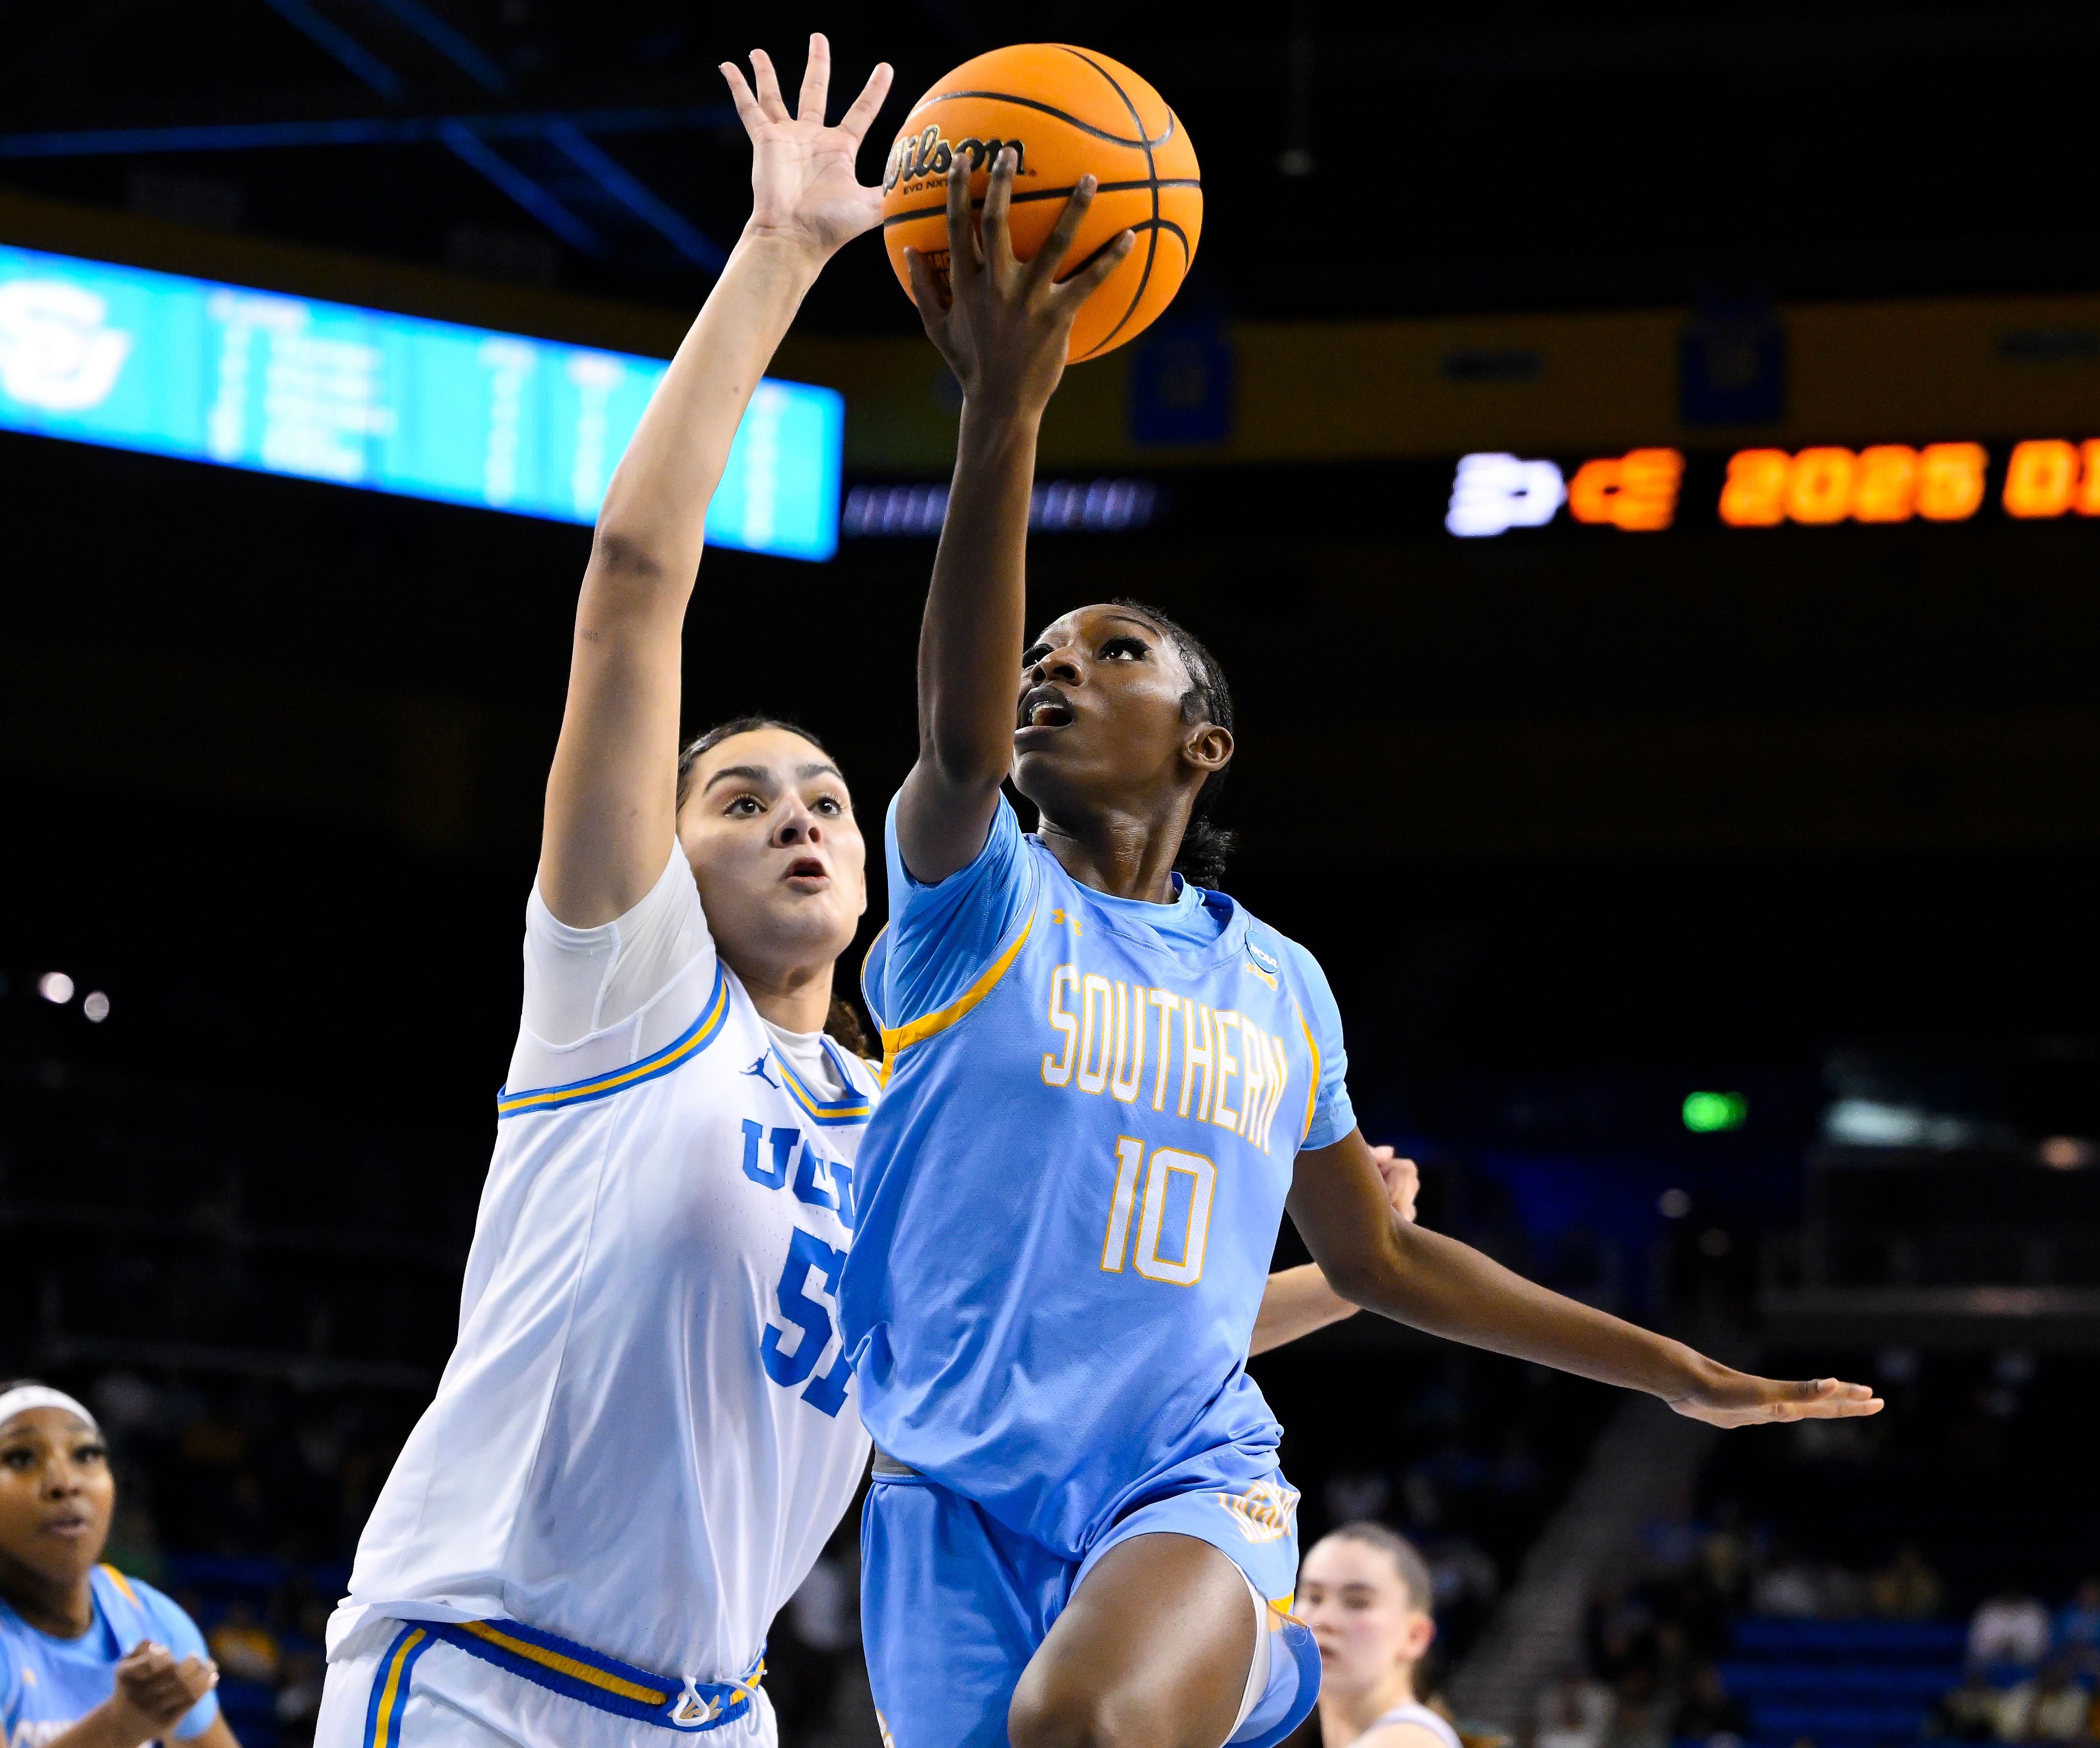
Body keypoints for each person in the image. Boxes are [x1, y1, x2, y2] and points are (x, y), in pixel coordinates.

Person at [308, 36, 1393, 1748]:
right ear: (665, 866)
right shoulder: (627, 1002)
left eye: (824, 795)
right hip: (484, 1678)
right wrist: (784, 249)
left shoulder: (899, 1114)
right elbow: (635, 584)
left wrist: (1345, 1274)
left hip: (714, 1713)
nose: (806, 820)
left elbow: (1072, 1332)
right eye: (742, 802)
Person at [839, 142, 1886, 1748]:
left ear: (1204, 747)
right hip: (943, 1496)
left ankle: (1271, 1671)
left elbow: (1383, 1261)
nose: (1053, 669)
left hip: (1176, 1484)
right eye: (1038, 650)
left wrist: (1676, 1372)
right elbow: (957, 744)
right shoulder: (974, 902)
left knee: (1085, 1728)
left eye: (1110, 652)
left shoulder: (1280, 983)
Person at [0, 1381, 240, 1748]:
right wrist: (121, 1725)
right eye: (21, 1458)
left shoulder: (153, 1618)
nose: (66, 1483)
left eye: (85, 1454)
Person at [1297, 1524, 1458, 1748]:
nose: (1324, 1620)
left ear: (1415, 1636)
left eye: (1357, 1603)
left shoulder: (1414, 1741)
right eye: (1314, 1598)